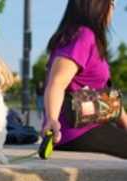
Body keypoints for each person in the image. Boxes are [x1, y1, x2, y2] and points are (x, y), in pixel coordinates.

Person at [43, 0, 127, 159]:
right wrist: (52, 120)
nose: (113, 9)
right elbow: (57, 83)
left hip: (93, 126)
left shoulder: (92, 40)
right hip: (75, 132)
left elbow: (109, 97)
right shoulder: (82, 36)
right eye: (112, 3)